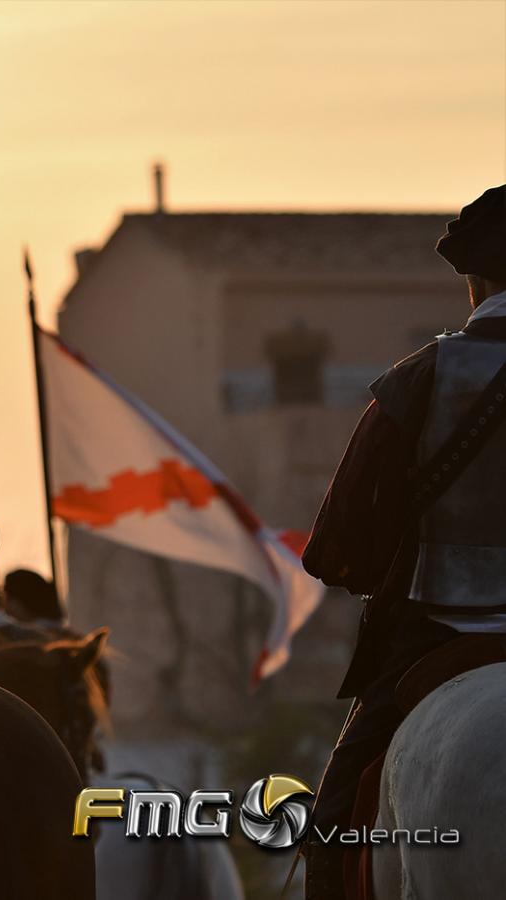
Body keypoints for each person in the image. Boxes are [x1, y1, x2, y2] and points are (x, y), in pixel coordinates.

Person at [302, 185, 506, 899]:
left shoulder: (420, 379)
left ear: (474, 281)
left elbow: (335, 551)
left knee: (331, 828)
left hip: (438, 633)